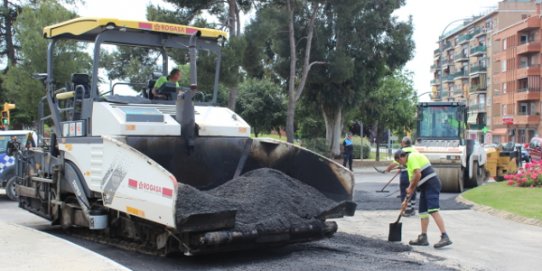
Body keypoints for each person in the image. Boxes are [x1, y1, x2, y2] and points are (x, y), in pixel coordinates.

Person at [394, 149, 452, 249]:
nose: (401, 164)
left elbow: (418, 174)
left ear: (402, 157)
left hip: (431, 184)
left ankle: (445, 236)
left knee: (433, 210)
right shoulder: (408, 166)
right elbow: (412, 186)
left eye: (399, 162)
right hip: (425, 187)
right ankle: (423, 237)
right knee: (423, 212)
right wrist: (405, 201)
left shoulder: (412, 157)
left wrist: (410, 187)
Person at [385, 136, 417, 216]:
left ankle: (406, 210)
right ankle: (412, 209)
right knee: (412, 190)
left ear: (403, 143)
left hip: (405, 174)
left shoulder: (402, 151)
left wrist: (388, 169)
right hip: (414, 174)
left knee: (404, 192)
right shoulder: (415, 150)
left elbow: (395, 162)